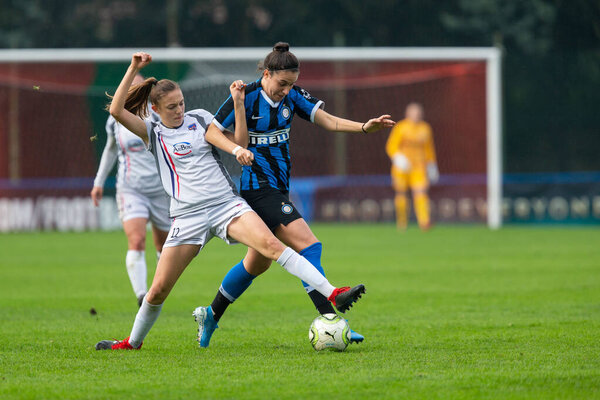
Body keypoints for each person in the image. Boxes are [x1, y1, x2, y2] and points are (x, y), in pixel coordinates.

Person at [95, 52, 365, 351]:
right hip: (187, 217)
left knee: (273, 247)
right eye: (171, 107)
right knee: (157, 291)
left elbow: (229, 140)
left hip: (226, 206)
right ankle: (132, 342)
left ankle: (332, 293)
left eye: (181, 103)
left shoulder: (199, 118)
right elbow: (118, 111)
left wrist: (236, 148)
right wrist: (133, 67)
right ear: (155, 109)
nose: (179, 110)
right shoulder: (152, 132)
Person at [194, 42, 395, 348]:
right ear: (266, 73)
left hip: (278, 188)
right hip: (257, 189)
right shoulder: (245, 96)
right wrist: (236, 148)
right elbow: (211, 131)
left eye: (291, 84)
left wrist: (365, 128)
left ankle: (211, 314)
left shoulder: (294, 96)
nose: (286, 90)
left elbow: (328, 121)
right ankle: (332, 315)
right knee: (309, 245)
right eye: (282, 83)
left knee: (256, 263)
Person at [91, 74, 170, 307]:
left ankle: (158, 290)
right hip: (130, 188)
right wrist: (98, 182)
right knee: (136, 241)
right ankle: (141, 296)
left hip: (161, 190)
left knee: (163, 247)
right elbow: (110, 149)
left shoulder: (158, 114)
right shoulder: (115, 118)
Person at [385, 102, 439, 230]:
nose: (416, 115)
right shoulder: (401, 127)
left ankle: (424, 222)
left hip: (419, 167)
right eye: (413, 112)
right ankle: (402, 223)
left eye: (418, 113)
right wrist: (398, 158)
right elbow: (391, 146)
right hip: (402, 167)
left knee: (420, 192)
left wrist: (432, 165)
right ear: (407, 114)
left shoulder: (425, 128)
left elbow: (429, 148)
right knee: (401, 194)